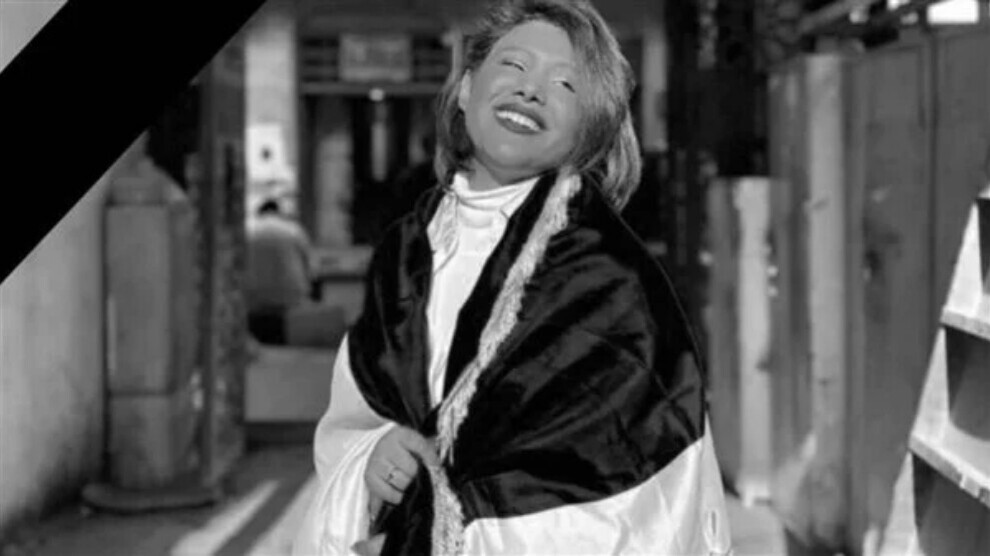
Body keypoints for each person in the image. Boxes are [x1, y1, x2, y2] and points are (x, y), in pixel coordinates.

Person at [292, 1, 732, 554]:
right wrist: (374, 457)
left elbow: (634, 511)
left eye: (565, 85)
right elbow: (353, 420)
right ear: (465, 88)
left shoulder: (609, 282)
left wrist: (425, 542)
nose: (530, 90)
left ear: (589, 131)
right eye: (514, 65)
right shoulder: (408, 251)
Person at [245, 197, 314, 344]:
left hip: (254, 295)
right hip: (291, 294)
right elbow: (307, 262)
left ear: (260, 213)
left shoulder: (249, 230)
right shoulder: (294, 229)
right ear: (278, 212)